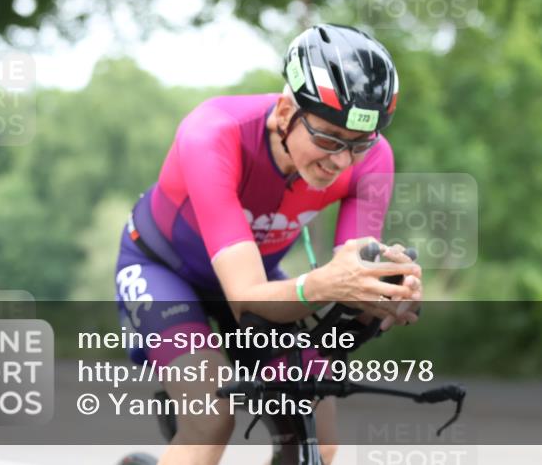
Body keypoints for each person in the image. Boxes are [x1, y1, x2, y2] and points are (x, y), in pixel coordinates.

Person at [114, 24, 422, 465]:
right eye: (328, 138)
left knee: (317, 437)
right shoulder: (214, 134)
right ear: (283, 112)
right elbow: (247, 298)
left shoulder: (373, 158)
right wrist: (328, 283)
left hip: (254, 276)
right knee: (210, 418)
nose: (341, 161)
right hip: (163, 271)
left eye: (357, 144)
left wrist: (388, 293)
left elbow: (351, 277)